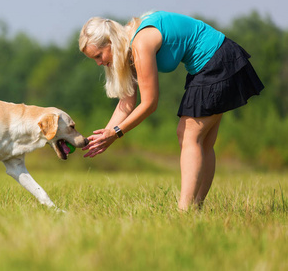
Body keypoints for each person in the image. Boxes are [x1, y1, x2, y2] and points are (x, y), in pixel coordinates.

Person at [79, 11, 264, 210]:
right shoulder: (129, 46)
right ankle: (195, 208)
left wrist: (116, 133)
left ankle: (184, 211)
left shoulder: (140, 43)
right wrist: (105, 135)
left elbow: (149, 104)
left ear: (111, 41)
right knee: (203, 141)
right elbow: (127, 102)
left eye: (99, 55)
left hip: (217, 61)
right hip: (215, 60)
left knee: (188, 135)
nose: (99, 62)